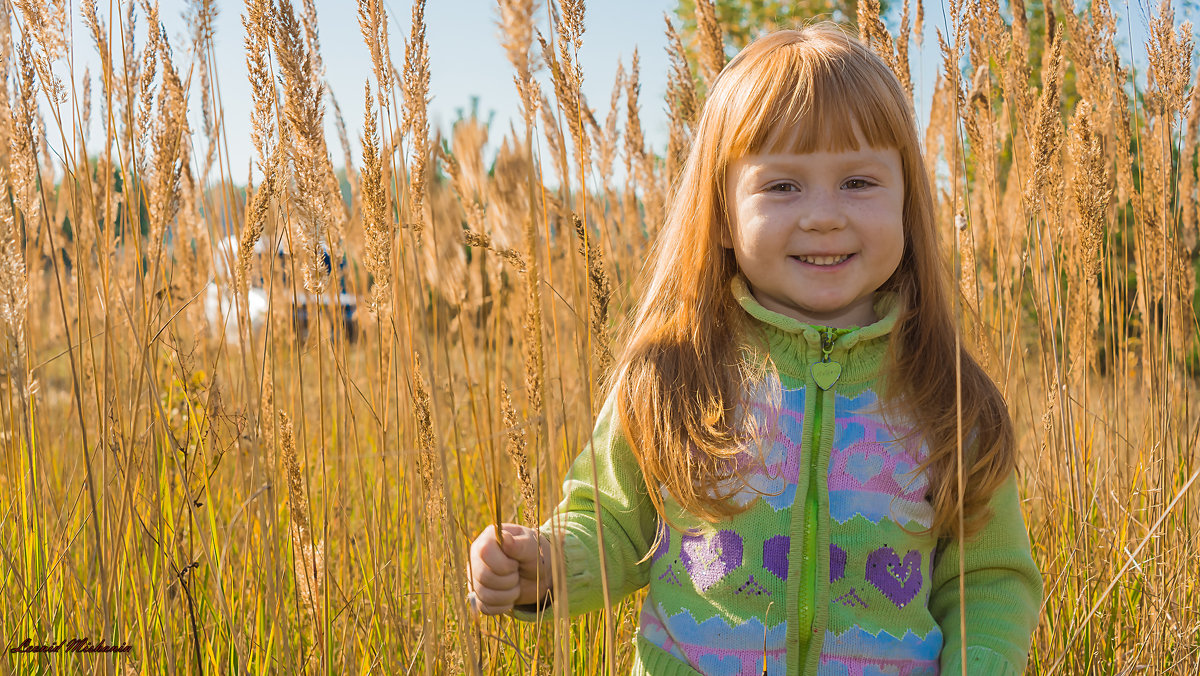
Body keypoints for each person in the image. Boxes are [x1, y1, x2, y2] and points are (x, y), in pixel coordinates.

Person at [468, 23, 1042, 675]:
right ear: (721, 213)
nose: (823, 214)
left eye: (858, 182)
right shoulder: (673, 376)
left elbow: (990, 581)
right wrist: (542, 565)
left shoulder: (946, 398)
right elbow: (611, 525)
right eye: (782, 186)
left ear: (908, 203)